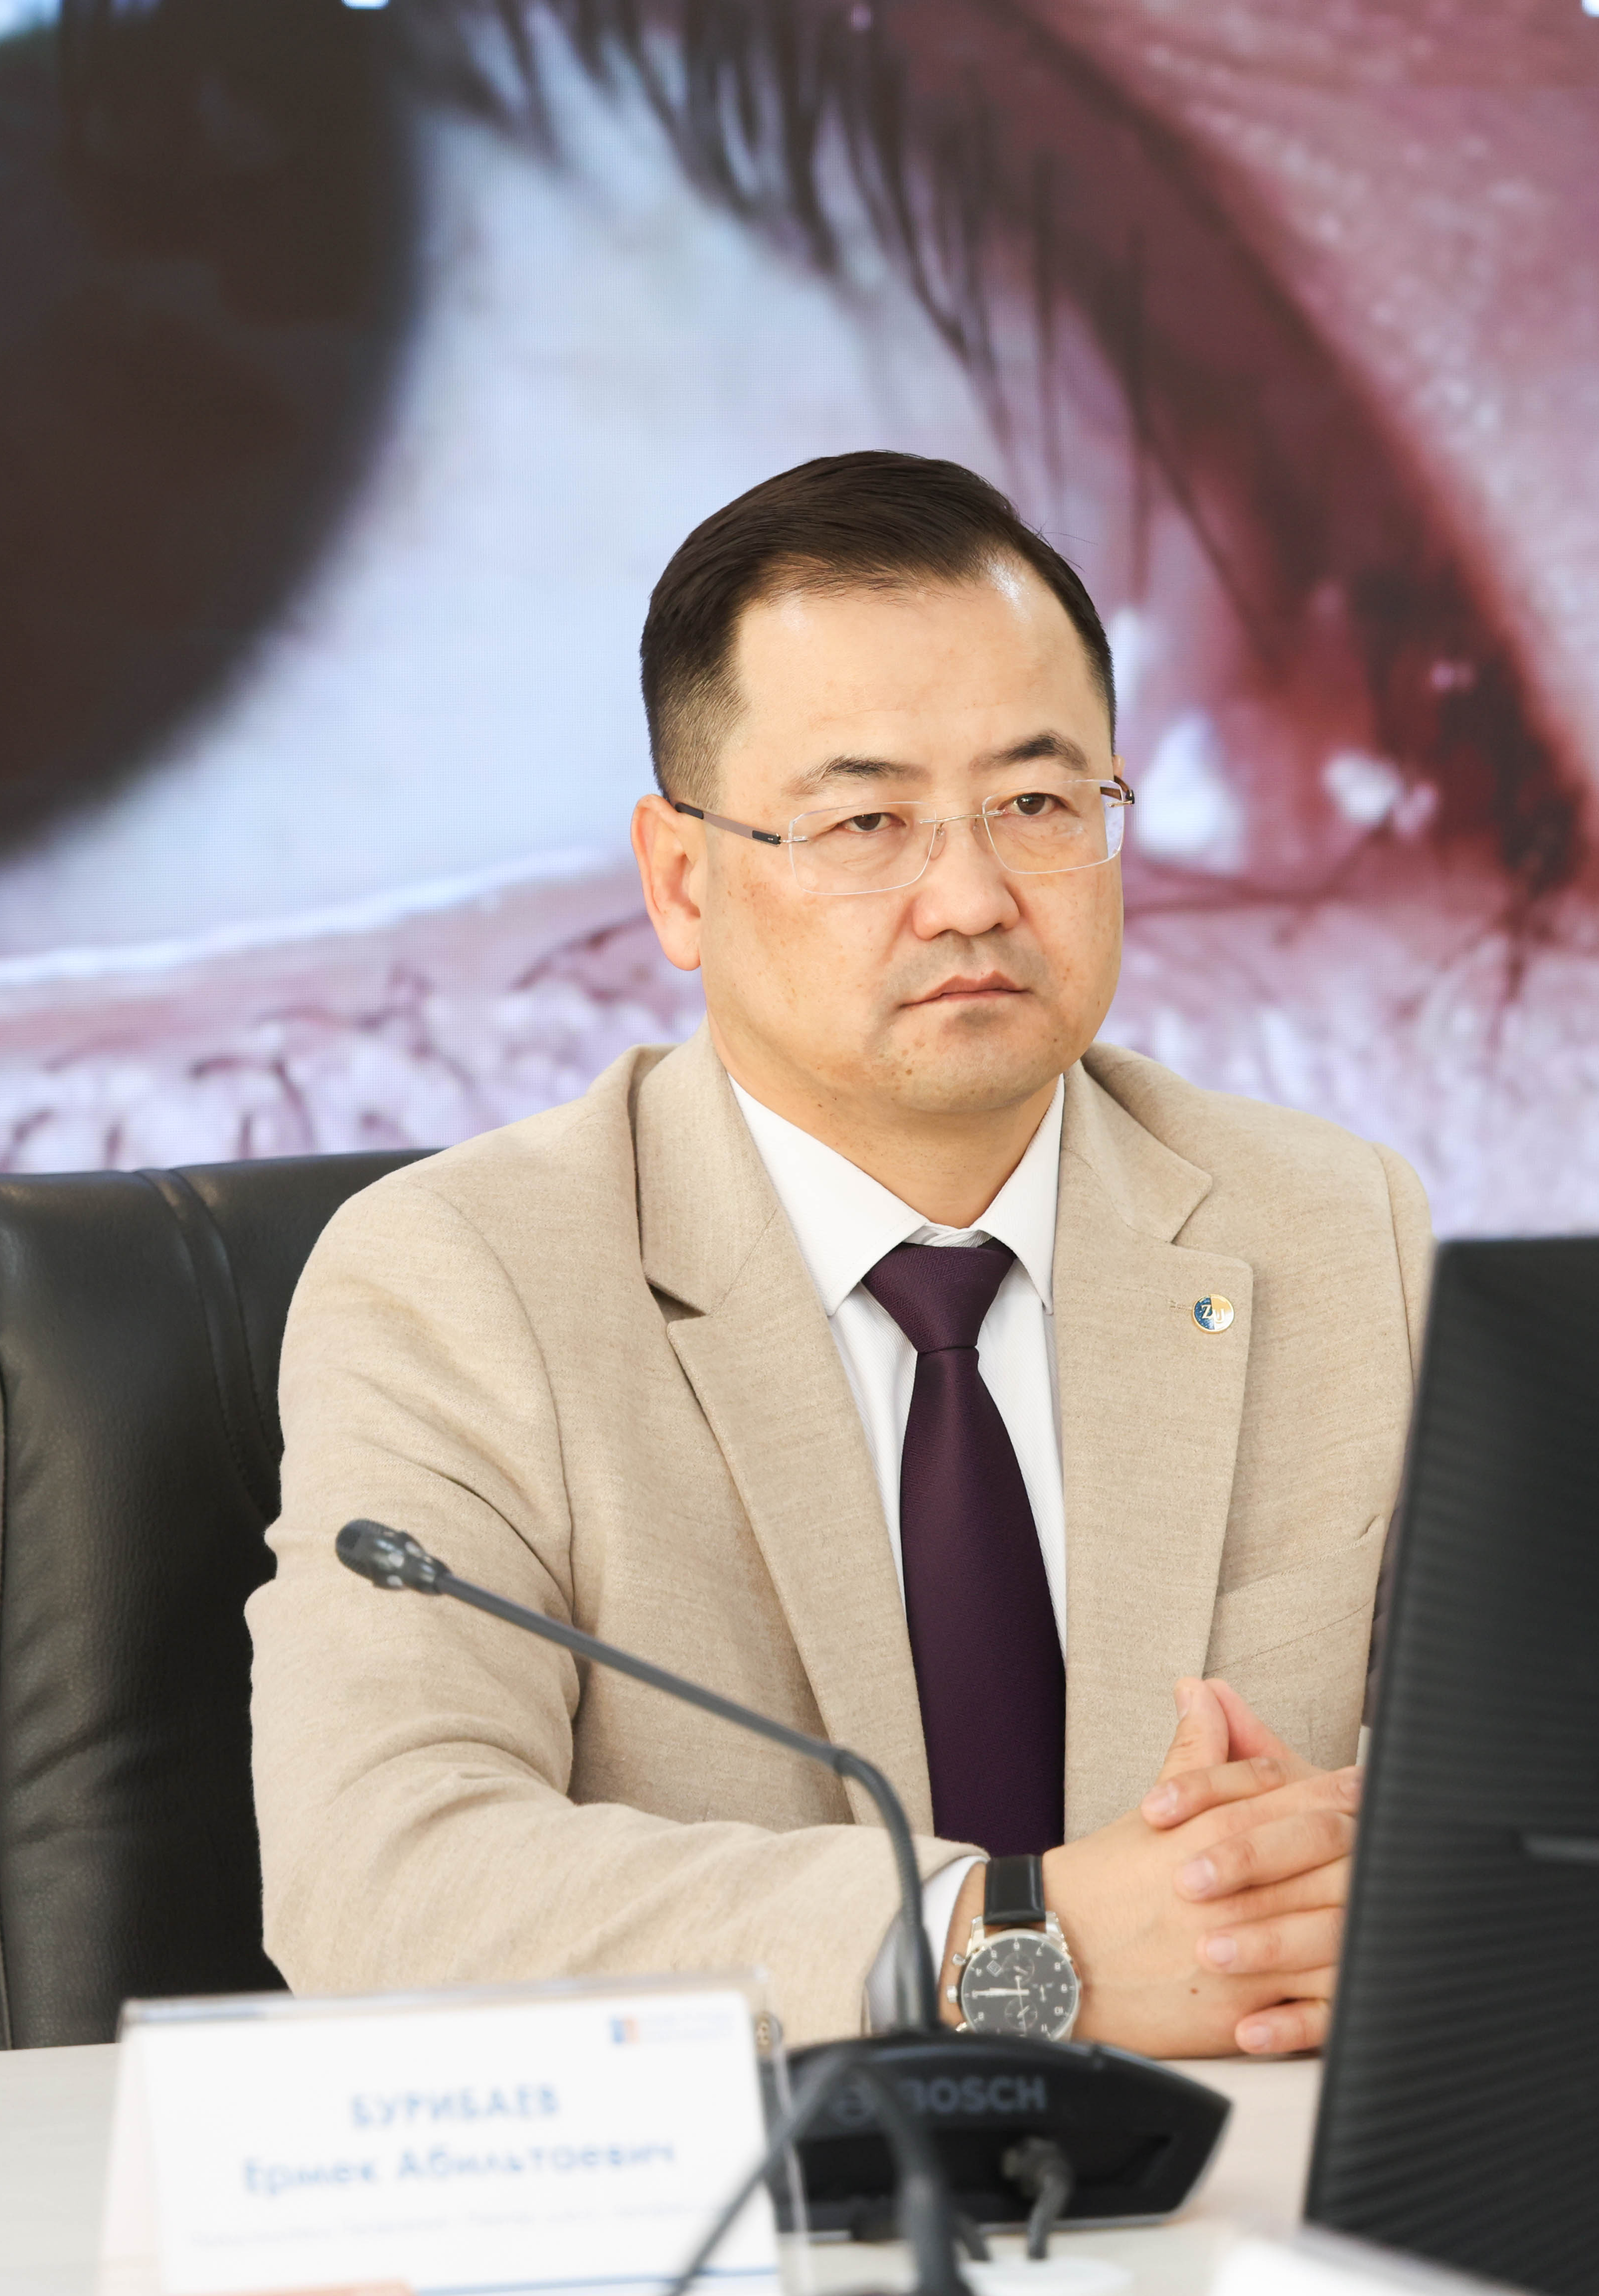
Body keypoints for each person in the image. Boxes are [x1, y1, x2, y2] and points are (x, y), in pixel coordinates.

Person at [249, 450, 1428, 2054]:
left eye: (1036, 805)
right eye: (867, 820)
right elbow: (382, 1879)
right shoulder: (462, 1280)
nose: (971, 898)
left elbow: (1540, 1789)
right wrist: (1010, 1944)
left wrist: (1365, 1884)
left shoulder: (1333, 1229)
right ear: (682, 880)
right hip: (768, 2192)